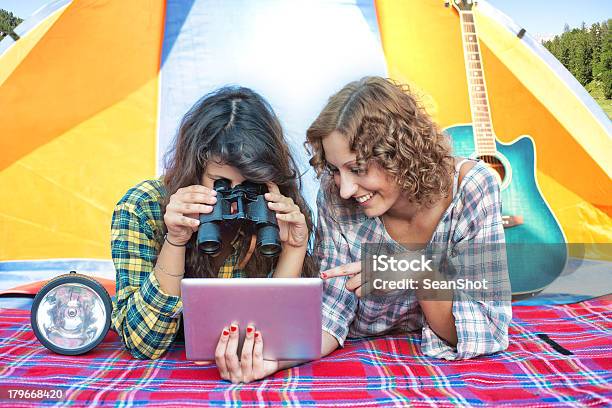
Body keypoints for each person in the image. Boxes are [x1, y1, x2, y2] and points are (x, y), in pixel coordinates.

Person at [110, 86, 316, 383]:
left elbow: (277, 335)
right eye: (220, 184)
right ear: (195, 169)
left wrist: (295, 248)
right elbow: (144, 343)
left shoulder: (271, 213)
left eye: (250, 185)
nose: (235, 200)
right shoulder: (143, 207)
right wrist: (176, 239)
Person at [305, 76, 512, 361]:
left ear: (400, 153)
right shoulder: (335, 197)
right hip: (366, 356)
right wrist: (275, 358)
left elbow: (485, 329)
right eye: (335, 170)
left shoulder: (472, 187)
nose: (345, 188)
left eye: (358, 168)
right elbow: (330, 311)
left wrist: (418, 269)